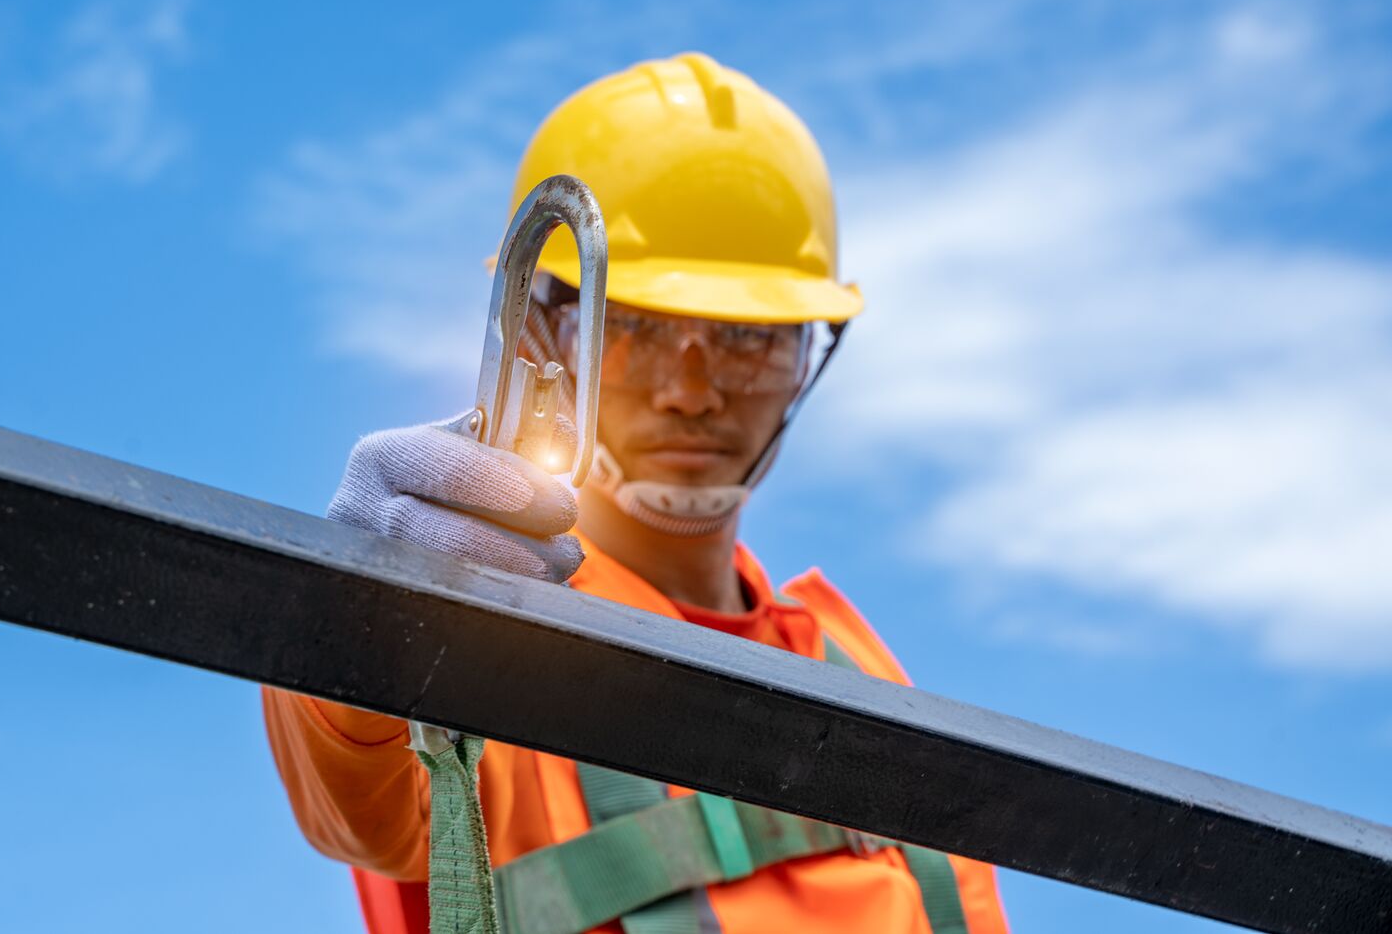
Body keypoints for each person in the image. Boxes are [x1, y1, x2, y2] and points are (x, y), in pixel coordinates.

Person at [262, 53, 1010, 934]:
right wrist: (366, 616)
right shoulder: (486, 621)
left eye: (744, 339)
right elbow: (356, 797)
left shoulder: (861, 671)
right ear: (538, 323)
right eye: (637, 330)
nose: (690, 389)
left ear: (809, 353)